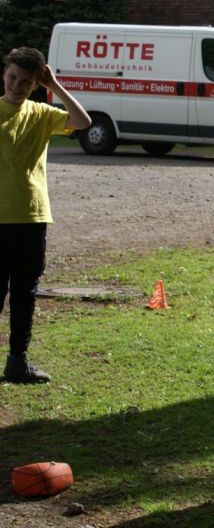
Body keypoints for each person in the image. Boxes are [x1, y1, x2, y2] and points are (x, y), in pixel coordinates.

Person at [1, 47, 91, 383]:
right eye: (12, 77)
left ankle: (17, 362)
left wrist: (56, 86)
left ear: (36, 84)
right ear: (4, 73)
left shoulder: (40, 113)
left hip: (32, 217)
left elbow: (82, 121)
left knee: (25, 294)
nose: (17, 86)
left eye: (26, 81)